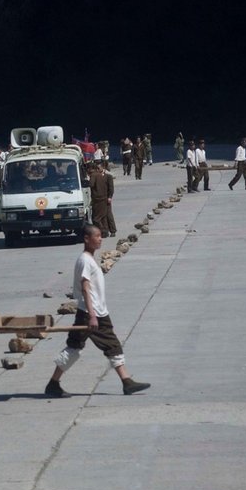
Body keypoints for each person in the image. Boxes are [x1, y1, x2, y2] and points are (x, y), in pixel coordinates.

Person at [45, 224, 151, 398]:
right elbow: (85, 288)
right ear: (87, 239)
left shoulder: (89, 258)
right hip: (91, 313)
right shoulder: (85, 260)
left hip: (94, 311)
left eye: (101, 236)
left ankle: (53, 384)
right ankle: (126, 382)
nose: (100, 239)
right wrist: (92, 316)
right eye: (97, 236)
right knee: (109, 344)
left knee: (76, 346)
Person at [88, 163, 111, 236]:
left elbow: (91, 184)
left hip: (98, 199)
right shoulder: (99, 175)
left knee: (96, 218)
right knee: (103, 217)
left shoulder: (94, 175)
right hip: (103, 197)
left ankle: (102, 231)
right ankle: (105, 231)